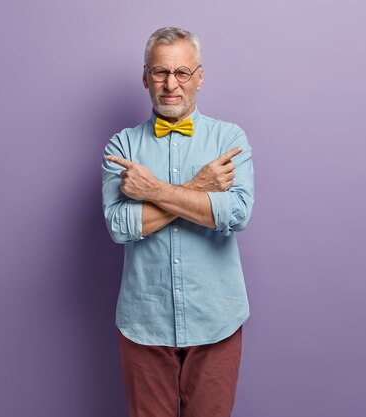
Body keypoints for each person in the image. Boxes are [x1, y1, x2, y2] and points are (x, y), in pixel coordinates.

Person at [101, 27, 254, 417]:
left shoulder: (229, 140)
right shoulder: (122, 147)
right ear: (145, 77)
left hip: (216, 321)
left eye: (182, 73)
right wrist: (200, 188)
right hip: (143, 324)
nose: (171, 84)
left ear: (199, 77)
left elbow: (235, 214)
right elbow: (120, 226)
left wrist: (151, 192)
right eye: (160, 72)